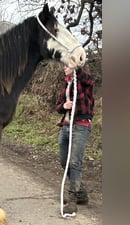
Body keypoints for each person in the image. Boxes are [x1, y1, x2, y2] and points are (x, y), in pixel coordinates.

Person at [55, 65, 95, 214]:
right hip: (66, 126)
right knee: (64, 161)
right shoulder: (66, 82)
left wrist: (75, 64)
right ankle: (81, 192)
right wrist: (63, 106)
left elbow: (84, 75)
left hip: (80, 126)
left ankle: (73, 200)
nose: (64, 67)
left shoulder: (85, 80)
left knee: (75, 162)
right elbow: (58, 106)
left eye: (67, 65)